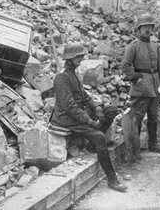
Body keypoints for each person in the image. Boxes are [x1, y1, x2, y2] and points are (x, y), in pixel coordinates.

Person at [50, 43, 127, 192]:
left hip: (78, 114)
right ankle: (112, 180)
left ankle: (92, 146)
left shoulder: (74, 73)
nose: (81, 59)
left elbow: (84, 96)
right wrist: (89, 121)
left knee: (110, 110)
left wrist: (96, 107)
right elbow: (69, 107)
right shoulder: (62, 77)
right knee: (99, 136)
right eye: (78, 57)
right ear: (70, 58)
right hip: (66, 118)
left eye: (81, 56)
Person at [122, 13, 160, 155]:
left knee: (153, 117)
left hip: (155, 87)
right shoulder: (133, 46)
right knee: (137, 119)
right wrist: (135, 78)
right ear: (139, 29)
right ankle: (133, 149)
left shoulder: (156, 46)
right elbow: (125, 65)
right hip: (141, 88)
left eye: (150, 26)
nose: (148, 30)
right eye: (145, 27)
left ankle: (153, 145)